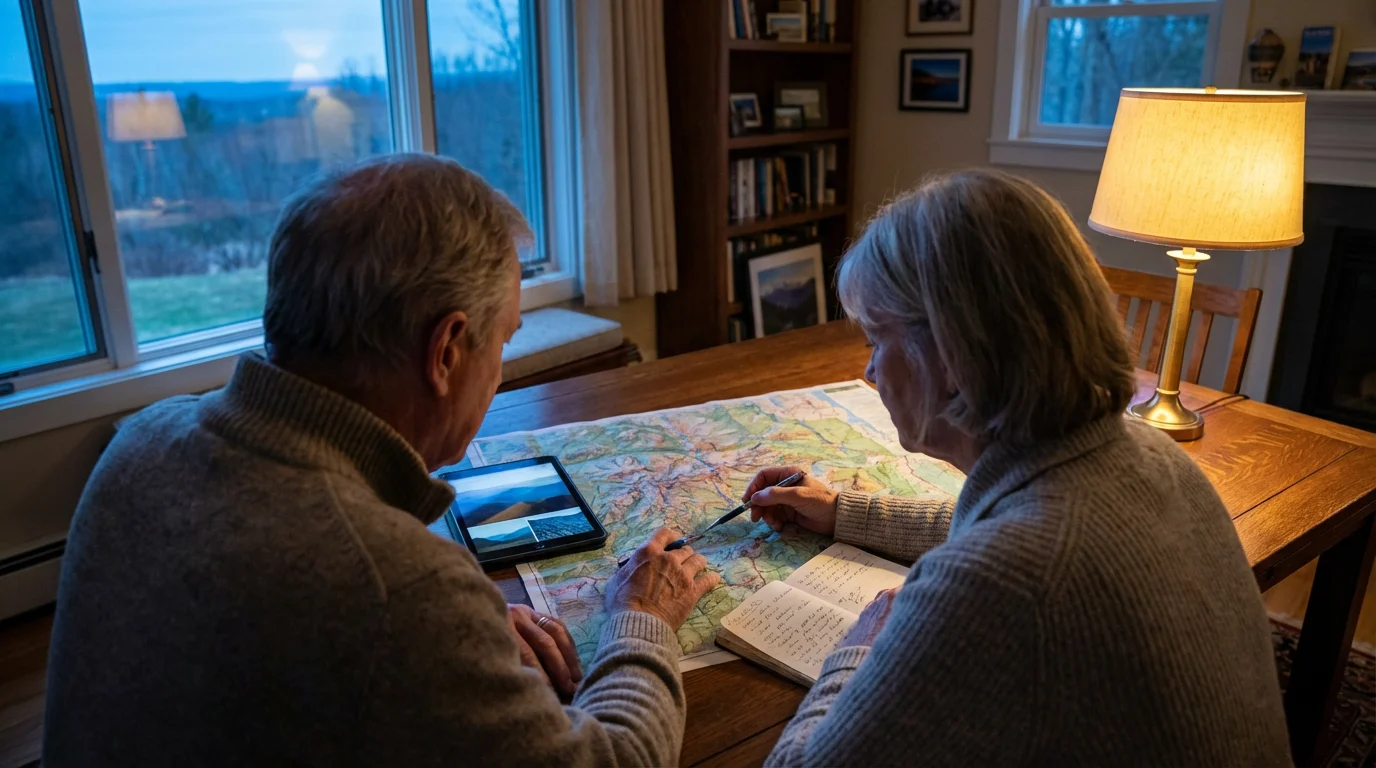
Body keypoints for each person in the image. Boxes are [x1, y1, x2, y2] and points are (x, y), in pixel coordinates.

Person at [43, 154, 719, 767]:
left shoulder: (136, 441)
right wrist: (643, 618)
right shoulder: (403, 593)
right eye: (504, 340)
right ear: (447, 351)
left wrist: (447, 648)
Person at [744, 170, 1290, 766]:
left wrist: (861, 650)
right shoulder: (1153, 456)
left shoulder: (1007, 582)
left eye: (876, 339)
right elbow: (1008, 526)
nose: (871, 372)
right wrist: (844, 512)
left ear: (951, 354)